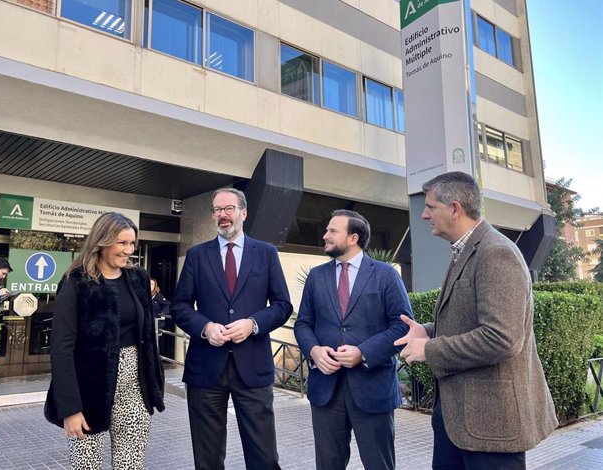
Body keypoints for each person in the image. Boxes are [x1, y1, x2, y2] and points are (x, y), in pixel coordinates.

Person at [394, 171, 557, 470]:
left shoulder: (496, 253)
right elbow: (469, 321)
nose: (424, 215)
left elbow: (501, 338)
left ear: (455, 209)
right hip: (459, 419)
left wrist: (429, 349)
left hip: (491, 425)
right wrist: (427, 332)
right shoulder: (466, 250)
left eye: (430, 207)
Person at [171, 187, 293, 470]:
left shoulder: (266, 253)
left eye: (229, 209)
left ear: (243, 213)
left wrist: (253, 324)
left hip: (252, 366)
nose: (223, 216)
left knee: (263, 455)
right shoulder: (197, 255)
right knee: (207, 457)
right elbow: (179, 306)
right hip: (206, 367)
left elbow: (282, 305)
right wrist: (205, 328)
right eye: (217, 210)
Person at [44, 212, 165, 470]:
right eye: (122, 243)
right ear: (102, 241)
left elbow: (147, 338)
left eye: (132, 244)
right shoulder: (75, 282)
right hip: (88, 392)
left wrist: (154, 386)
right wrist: (70, 408)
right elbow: (61, 346)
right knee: (86, 466)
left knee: (131, 466)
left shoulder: (139, 278)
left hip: (134, 392)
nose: (129, 250)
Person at [294, 210, 413, 470]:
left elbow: (402, 327)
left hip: (373, 389)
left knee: (378, 465)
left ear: (353, 238)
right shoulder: (316, 277)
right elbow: (303, 323)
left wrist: (363, 352)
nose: (325, 235)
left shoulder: (385, 275)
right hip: (326, 390)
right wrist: (314, 351)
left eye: (332, 231)